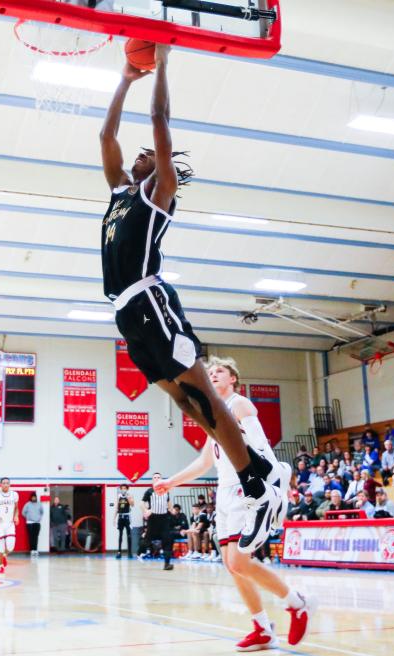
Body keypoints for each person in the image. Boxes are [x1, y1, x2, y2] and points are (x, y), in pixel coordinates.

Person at [100, 44, 282, 554]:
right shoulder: (118, 192)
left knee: (203, 393)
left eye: (148, 154)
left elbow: (159, 117)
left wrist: (162, 65)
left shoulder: (159, 194)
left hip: (151, 301)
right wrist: (123, 79)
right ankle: (260, 466)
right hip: (125, 315)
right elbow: (105, 135)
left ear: (159, 168)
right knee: (183, 401)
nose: (138, 154)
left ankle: (258, 485)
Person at [154, 356, 314, 651]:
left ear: (233, 380)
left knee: (239, 560)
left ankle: (297, 602)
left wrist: (274, 481)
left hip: (246, 486)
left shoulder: (239, 405)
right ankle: (263, 629)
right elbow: (205, 462)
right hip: (224, 492)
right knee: (232, 565)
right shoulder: (213, 416)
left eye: (220, 372)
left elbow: (260, 446)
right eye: (210, 372)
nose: (213, 374)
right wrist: (171, 482)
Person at [143, 472, 174, 570]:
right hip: (153, 518)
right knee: (147, 538)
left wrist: (171, 509)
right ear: (153, 480)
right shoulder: (149, 491)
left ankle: (167, 563)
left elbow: (168, 502)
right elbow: (141, 503)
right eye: (155, 477)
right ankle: (142, 552)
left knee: (167, 539)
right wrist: (145, 511)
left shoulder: (166, 491)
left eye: (158, 477)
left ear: (161, 479)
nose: (156, 478)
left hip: (164, 518)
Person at [0, 478, 19, 574]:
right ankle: (0, 566)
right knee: (0, 547)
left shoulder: (14, 494)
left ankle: (4, 555)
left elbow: (16, 508)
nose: (6, 485)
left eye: (7, 483)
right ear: (0, 485)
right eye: (4, 483)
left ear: (10, 484)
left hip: (10, 524)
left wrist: (16, 516)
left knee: (11, 547)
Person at [21, 492, 43, 557]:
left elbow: (42, 512)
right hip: (29, 523)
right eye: (32, 497)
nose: (33, 498)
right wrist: (28, 517)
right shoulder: (27, 504)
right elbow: (23, 512)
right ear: (31, 498)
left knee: (36, 537)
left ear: (36, 497)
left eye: (35, 497)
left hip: (37, 523)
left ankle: (35, 550)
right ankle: (32, 551)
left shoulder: (39, 504)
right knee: (31, 537)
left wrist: (39, 518)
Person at [115, 484, 133, 559]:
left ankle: (129, 552)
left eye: (124, 488)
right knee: (120, 535)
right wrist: (114, 518)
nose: (123, 489)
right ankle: (119, 552)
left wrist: (128, 498)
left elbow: (132, 504)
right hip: (120, 517)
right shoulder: (119, 497)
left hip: (127, 517)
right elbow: (117, 508)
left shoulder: (129, 496)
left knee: (129, 535)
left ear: (127, 489)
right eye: (122, 488)